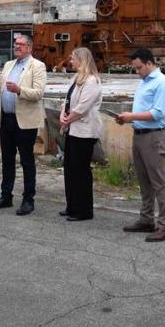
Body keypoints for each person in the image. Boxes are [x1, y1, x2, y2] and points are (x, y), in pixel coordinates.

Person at [0, 34, 47, 216]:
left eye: (20, 44)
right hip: (7, 120)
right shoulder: (9, 65)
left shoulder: (38, 66)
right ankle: (6, 196)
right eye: (15, 44)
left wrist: (19, 90)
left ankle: (28, 200)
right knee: (7, 160)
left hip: (25, 122)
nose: (16, 47)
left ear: (29, 47)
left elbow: (38, 93)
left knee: (27, 161)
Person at [116, 48, 165, 242]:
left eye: (139, 67)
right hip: (139, 135)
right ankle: (146, 219)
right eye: (135, 68)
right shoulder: (144, 82)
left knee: (159, 183)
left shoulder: (162, 83)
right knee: (144, 182)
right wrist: (128, 119)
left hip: (153, 137)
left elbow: (158, 113)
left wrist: (130, 116)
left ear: (150, 63)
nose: (137, 71)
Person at [59, 47, 103, 222]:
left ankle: (84, 210)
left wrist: (67, 119)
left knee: (81, 171)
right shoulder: (76, 78)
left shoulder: (92, 81)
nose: (71, 61)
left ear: (82, 60)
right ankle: (72, 206)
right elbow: (67, 100)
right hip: (72, 129)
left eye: (73, 58)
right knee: (70, 169)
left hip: (84, 132)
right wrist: (63, 113)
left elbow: (83, 107)